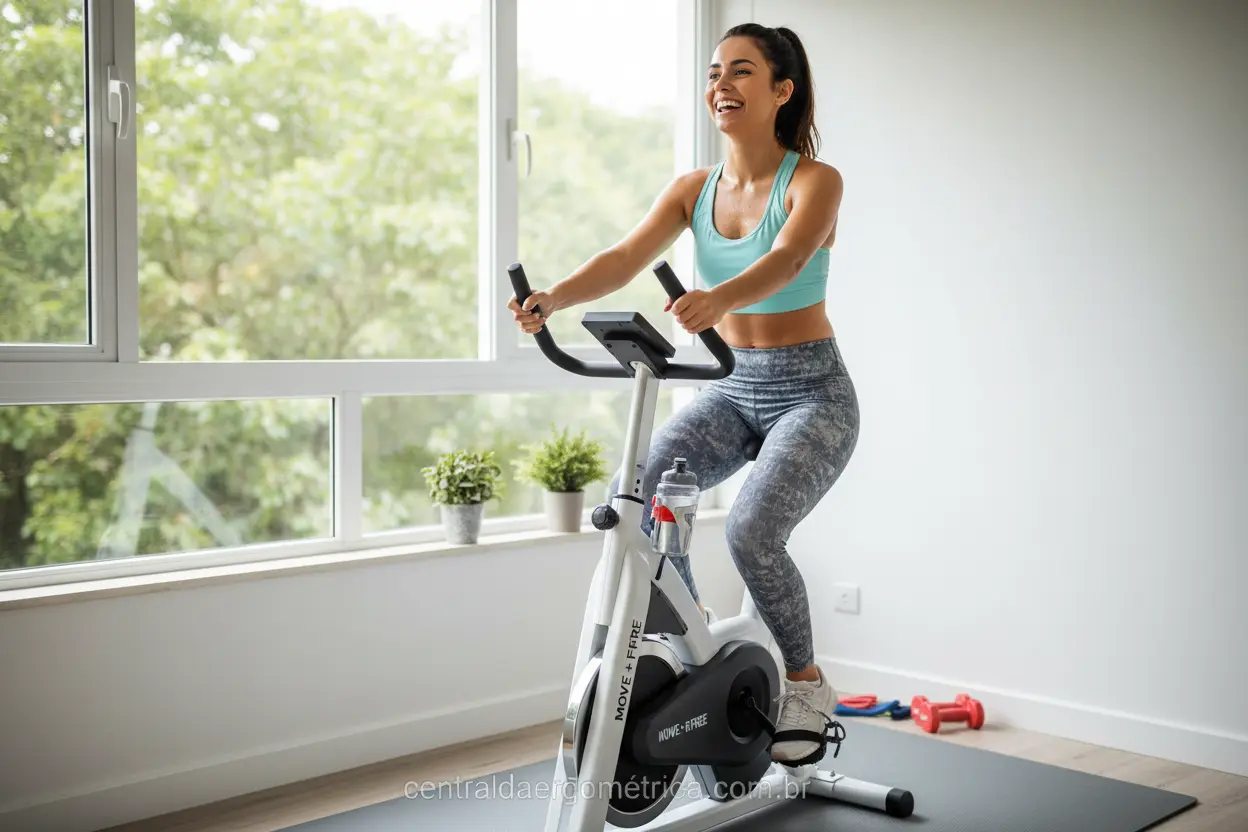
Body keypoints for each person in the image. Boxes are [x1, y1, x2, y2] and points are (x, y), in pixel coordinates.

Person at [509, 23, 854, 766]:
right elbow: (627, 255)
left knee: (752, 532)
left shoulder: (814, 181)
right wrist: (555, 295)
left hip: (811, 393)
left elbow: (790, 257)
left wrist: (716, 296)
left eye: (741, 72)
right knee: (638, 497)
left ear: (781, 91)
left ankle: (805, 681)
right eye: (713, 73)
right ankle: (696, 648)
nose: (720, 86)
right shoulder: (694, 189)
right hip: (733, 386)